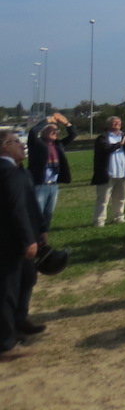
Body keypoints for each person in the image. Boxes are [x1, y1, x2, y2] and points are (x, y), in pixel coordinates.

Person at [1, 130, 46, 361]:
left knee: (28, 278)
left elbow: (29, 205)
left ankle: (20, 321)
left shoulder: (19, 170)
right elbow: (16, 210)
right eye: (15, 142)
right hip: (12, 242)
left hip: (25, 236)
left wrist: (41, 229)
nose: (21, 145)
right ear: (4, 147)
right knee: (7, 292)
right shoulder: (7, 172)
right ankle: (6, 343)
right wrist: (28, 239)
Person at [26, 112, 76, 231]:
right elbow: (32, 132)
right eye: (52, 130)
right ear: (43, 131)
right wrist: (48, 120)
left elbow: (73, 135)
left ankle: (43, 239)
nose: (55, 132)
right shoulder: (37, 144)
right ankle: (34, 239)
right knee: (37, 214)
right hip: (39, 184)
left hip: (53, 185)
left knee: (48, 215)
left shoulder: (58, 144)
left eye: (57, 130)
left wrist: (66, 123)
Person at [91, 117, 125, 227]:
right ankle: (99, 220)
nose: (116, 124)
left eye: (118, 123)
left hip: (122, 172)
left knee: (121, 198)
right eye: (113, 123)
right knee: (103, 198)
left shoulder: (123, 136)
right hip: (107, 173)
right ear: (108, 125)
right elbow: (104, 149)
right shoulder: (102, 138)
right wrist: (119, 144)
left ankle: (119, 217)